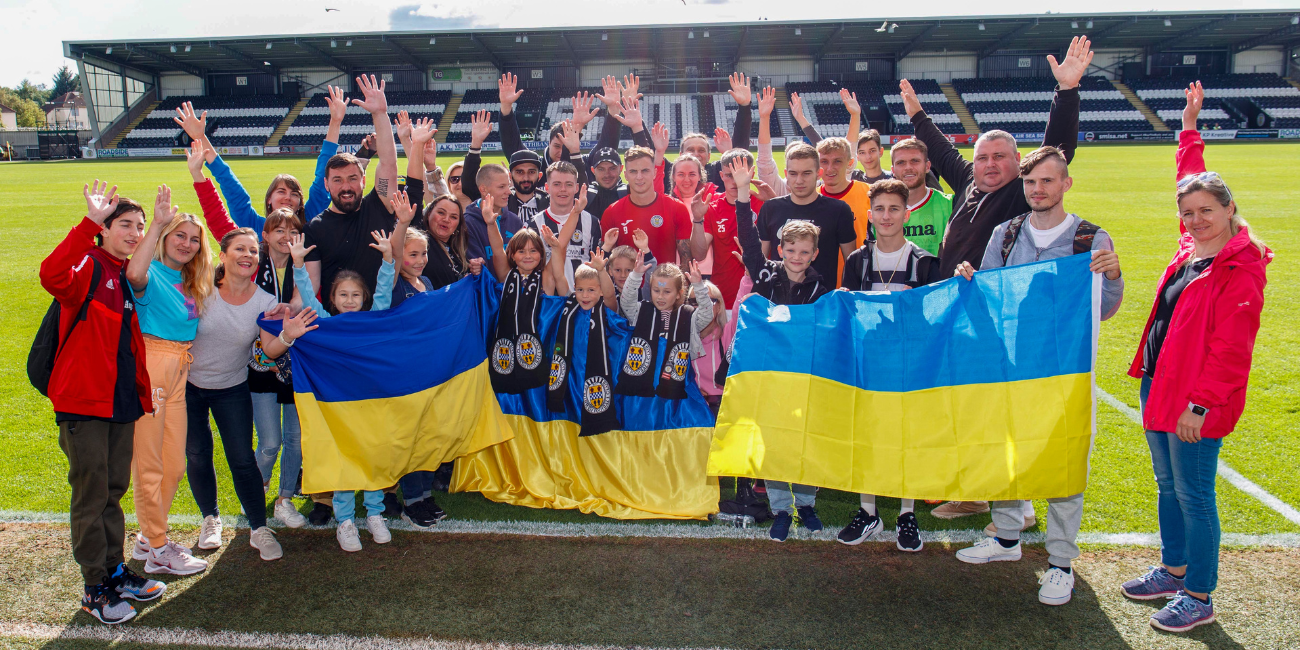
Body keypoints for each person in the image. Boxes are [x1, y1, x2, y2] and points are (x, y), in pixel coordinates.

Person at [907, 36, 1090, 521]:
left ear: (1017, 164)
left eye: (1000, 158)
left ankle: (1011, 501)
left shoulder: (1016, 194)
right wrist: (916, 114)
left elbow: (1057, 148)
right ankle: (988, 492)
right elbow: (944, 153)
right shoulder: (969, 184)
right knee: (969, 405)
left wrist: (1066, 92)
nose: (990, 165)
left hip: (993, 317)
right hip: (958, 312)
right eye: (984, 157)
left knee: (994, 407)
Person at [1119, 81, 1271, 633]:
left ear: (1230, 209)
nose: (1196, 219)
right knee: (1166, 487)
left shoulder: (1241, 266)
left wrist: (1201, 407)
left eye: (1207, 210)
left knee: (1195, 495)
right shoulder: (1192, 248)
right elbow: (1189, 173)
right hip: (1158, 383)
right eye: (1187, 211)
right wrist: (1189, 125)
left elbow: (1233, 350)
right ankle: (1173, 568)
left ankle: (1199, 594)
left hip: (1195, 400)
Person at [950, 146, 1125, 606]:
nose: (1038, 190)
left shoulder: (1090, 238)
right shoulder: (1006, 233)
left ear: (1066, 184)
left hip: (1065, 371)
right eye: (1031, 183)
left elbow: (1103, 309)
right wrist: (971, 279)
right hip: (1011, 368)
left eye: (1047, 181)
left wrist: (1113, 276)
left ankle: (1061, 562)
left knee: (1064, 460)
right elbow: (989, 297)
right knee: (1006, 452)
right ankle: (1007, 538)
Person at [40, 181, 164, 625]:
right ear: (104, 230)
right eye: (125, 225)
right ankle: (95, 588)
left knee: (112, 491)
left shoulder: (120, 273)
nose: (134, 233)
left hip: (119, 403)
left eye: (139, 226)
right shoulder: (90, 266)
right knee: (92, 496)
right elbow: (52, 275)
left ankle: (114, 572)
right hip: (86, 404)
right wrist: (87, 222)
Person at [187, 139, 308, 529]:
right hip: (255, 368)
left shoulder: (307, 265)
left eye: (293, 229)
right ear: (264, 233)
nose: (284, 235)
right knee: (268, 442)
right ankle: (254, 498)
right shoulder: (251, 266)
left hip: (297, 364)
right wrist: (201, 172)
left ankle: (285, 500)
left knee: (294, 441)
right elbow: (223, 213)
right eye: (277, 229)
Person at [274, 220, 401, 551]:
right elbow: (308, 300)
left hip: (371, 404)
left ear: (364, 298)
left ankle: (374, 514)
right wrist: (298, 265)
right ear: (332, 298)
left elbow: (385, 291)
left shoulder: (373, 319)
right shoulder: (324, 323)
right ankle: (345, 521)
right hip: (338, 407)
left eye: (355, 295)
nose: (349, 300)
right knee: (345, 461)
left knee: (372, 459)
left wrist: (388, 259)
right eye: (343, 294)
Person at [834, 179, 942, 552]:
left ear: (907, 212)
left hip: (909, 364)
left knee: (904, 436)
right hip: (868, 362)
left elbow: (936, 321)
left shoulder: (927, 263)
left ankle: (905, 512)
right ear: (871, 214)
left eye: (894, 208)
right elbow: (846, 317)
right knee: (867, 434)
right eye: (879, 209)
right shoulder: (856, 262)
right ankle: (869, 511)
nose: (886, 216)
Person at [731, 158, 832, 540]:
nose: (796, 257)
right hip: (768, 372)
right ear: (781, 248)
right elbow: (745, 235)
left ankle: (805, 503)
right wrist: (743, 193)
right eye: (790, 249)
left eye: (804, 252)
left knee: (803, 439)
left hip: (805, 375)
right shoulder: (765, 274)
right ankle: (779, 508)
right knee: (773, 439)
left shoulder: (823, 290)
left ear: (814, 255)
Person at [122, 184, 212, 576]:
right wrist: (157, 223)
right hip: (153, 364)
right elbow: (134, 272)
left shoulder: (190, 281)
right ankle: (158, 546)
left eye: (194, 239)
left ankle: (147, 537)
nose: (187, 244)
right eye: (180, 235)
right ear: (164, 237)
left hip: (179, 369)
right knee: (150, 463)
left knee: (174, 464)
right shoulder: (151, 271)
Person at [184, 228, 284, 562]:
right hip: (187, 388)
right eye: (240, 249)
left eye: (254, 251)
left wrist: (287, 336)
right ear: (223, 254)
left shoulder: (265, 301)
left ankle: (259, 528)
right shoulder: (199, 289)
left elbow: (266, 353)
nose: (248, 256)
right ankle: (210, 518)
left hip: (231, 387)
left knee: (242, 458)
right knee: (197, 453)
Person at [302, 75, 424, 313]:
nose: (345, 186)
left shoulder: (378, 204)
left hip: (382, 319)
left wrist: (379, 114)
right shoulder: (314, 229)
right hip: (340, 327)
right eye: (337, 180)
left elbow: (388, 163)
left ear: (363, 180)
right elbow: (310, 285)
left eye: (352, 179)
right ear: (326, 184)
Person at [172, 87, 340, 229]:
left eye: (295, 194)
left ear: (300, 205)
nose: (288, 197)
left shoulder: (309, 222)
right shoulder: (253, 226)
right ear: (269, 200)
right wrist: (201, 137)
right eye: (281, 191)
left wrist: (335, 122)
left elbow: (323, 178)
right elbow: (230, 184)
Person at [483, 192, 578, 393]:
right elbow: (498, 249)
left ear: (541, 254)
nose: (528, 256)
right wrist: (492, 224)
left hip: (540, 353)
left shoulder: (545, 277)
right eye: (521, 251)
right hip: (506, 354)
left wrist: (575, 212)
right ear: (513, 255)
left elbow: (562, 243)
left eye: (533, 250)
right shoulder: (506, 275)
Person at [755, 143, 857, 288]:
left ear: (819, 173)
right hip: (778, 303)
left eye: (806, 173)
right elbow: (762, 261)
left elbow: (851, 263)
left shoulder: (839, 210)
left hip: (821, 303)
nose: (799, 180)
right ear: (786, 174)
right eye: (793, 173)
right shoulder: (770, 208)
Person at [617, 258, 714, 403]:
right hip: (640, 391)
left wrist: (699, 286)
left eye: (667, 292)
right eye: (656, 290)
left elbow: (707, 313)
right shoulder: (640, 312)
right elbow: (626, 301)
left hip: (674, 388)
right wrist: (635, 276)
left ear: (678, 293)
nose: (660, 296)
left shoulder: (688, 316)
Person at [688, 148, 769, 310]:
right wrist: (697, 220)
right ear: (721, 176)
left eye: (739, 175)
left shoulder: (764, 202)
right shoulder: (712, 207)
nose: (735, 181)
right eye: (729, 175)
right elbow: (698, 254)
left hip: (759, 296)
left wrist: (773, 203)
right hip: (724, 299)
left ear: (751, 174)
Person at [663, 72, 754, 191]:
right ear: (681, 155)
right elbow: (649, 158)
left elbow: (738, 159)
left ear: (709, 156)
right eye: (690, 150)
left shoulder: (718, 172)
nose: (696, 154)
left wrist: (744, 107)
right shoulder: (671, 173)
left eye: (701, 150)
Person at [604, 146, 694, 266]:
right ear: (625, 175)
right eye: (633, 171)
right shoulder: (612, 212)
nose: (639, 177)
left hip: (664, 284)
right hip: (626, 284)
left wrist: (680, 285)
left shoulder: (677, 208)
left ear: (654, 173)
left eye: (645, 170)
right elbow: (607, 261)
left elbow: (686, 259)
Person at [462, 110, 524, 260]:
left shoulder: (515, 222)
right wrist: (476, 144)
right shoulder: (467, 223)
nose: (509, 192)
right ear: (483, 189)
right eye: (501, 187)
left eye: (508, 186)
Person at [531, 162, 600, 289]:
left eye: (568, 184)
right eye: (557, 184)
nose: (563, 189)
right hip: (549, 300)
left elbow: (597, 268)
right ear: (546, 187)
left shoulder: (592, 222)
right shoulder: (534, 224)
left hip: (582, 300)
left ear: (576, 188)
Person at [887, 138, 951, 256]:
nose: (908, 167)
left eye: (915, 161)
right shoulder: (881, 210)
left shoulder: (949, 204)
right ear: (893, 171)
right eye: (901, 163)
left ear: (927, 166)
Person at [816, 137, 873, 256]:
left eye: (837, 161)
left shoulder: (870, 193)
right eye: (824, 161)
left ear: (850, 163)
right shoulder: (811, 197)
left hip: (858, 272)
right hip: (821, 274)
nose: (830, 168)